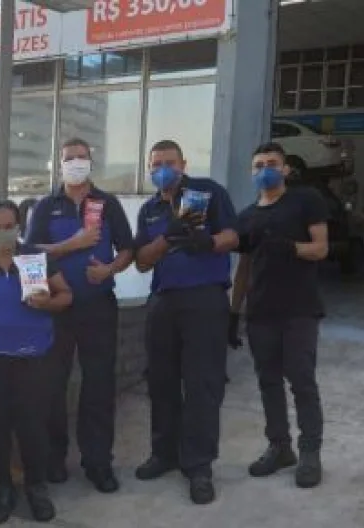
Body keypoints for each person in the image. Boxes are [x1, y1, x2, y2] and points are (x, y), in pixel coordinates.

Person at [131, 139, 239, 505]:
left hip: (204, 299)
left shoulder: (207, 192)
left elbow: (233, 236)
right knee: (160, 381)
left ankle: (199, 465)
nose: (163, 169)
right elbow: (142, 261)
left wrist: (206, 242)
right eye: (156, 164)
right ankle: (164, 453)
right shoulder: (149, 210)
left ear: (183, 164)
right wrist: (168, 237)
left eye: (169, 162)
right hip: (163, 301)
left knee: (201, 384)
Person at [0, 200, 74, 525]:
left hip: (35, 359)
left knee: (33, 427)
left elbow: (66, 295)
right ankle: (2, 490)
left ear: (19, 227)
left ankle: (36, 487)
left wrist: (47, 302)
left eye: (9, 226)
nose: (3, 232)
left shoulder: (37, 259)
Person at [26, 138, 134, 493]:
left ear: (91, 162)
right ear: (59, 165)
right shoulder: (46, 206)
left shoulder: (108, 203)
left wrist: (110, 269)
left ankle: (98, 463)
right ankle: (54, 459)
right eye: (69, 158)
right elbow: (30, 252)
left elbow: (128, 249)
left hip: (98, 307)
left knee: (99, 386)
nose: (76, 162)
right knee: (51, 386)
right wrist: (72, 244)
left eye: (81, 157)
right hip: (56, 309)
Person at [229, 142, 328, 490]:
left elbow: (320, 248)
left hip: (299, 310)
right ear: (251, 172)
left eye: (272, 163)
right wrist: (233, 312)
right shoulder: (246, 217)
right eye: (258, 165)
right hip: (260, 313)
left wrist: (290, 248)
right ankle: (279, 447)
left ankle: (310, 452)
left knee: (301, 381)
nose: (265, 170)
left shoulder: (305, 201)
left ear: (285, 169)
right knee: (268, 382)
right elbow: (243, 267)